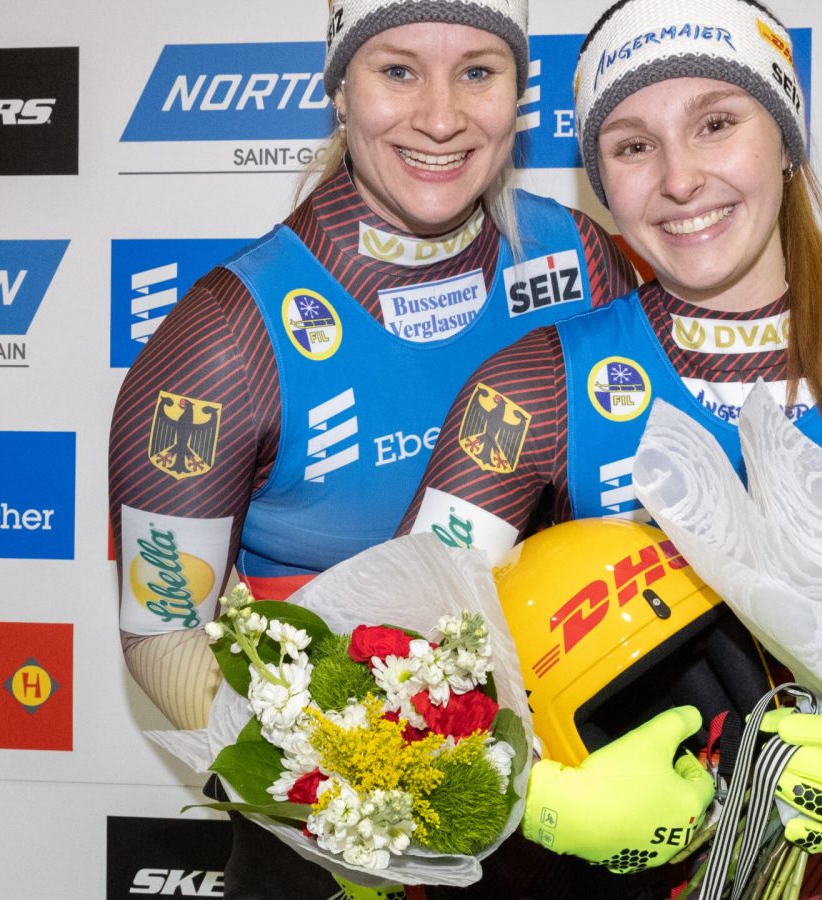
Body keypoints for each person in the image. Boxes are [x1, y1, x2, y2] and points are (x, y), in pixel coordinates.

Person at [401, 0, 822, 896]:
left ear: (786, 140)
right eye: (633, 146)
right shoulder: (531, 388)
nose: (679, 179)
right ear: (601, 180)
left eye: (716, 124)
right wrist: (534, 795)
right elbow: (400, 669)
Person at [109, 2, 636, 896]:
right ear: (340, 89)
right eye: (398, 70)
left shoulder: (578, 258)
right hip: (336, 853)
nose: (440, 116)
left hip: (575, 827)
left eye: (478, 71)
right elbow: (161, 634)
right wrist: (371, 794)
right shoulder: (226, 335)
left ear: (518, 93)